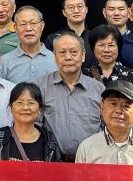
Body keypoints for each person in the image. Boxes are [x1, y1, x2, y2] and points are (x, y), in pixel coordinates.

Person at [35, 32, 104, 161]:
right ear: (55, 56)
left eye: (73, 52)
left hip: (91, 162)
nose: (68, 57)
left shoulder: (98, 89)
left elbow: (107, 128)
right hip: (52, 162)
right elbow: (34, 127)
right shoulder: (41, 86)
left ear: (83, 55)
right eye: (62, 53)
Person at [0, 6, 57, 83]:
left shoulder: (56, 59)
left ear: (42, 26)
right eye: (23, 24)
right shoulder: (4, 61)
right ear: (15, 28)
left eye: (33, 23)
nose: (28, 29)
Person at [48, 0, 95, 67]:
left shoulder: (95, 37)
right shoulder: (52, 38)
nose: (76, 11)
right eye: (71, 7)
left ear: (86, 10)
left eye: (80, 6)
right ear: (64, 12)